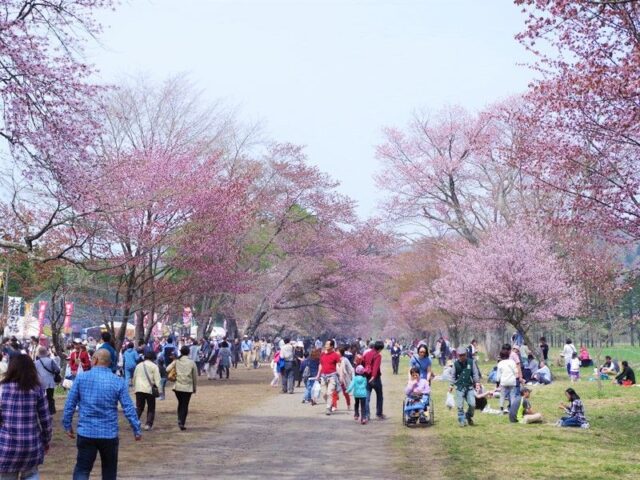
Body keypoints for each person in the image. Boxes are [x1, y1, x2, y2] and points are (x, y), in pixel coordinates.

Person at [62, 349, 141, 480]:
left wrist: (67, 424)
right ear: (109, 363)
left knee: (82, 469)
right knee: (109, 472)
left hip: (86, 432)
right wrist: (136, 428)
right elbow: (128, 407)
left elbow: (70, 404)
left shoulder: (81, 378)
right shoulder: (118, 381)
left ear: (95, 360)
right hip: (109, 434)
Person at [0, 355, 52, 480]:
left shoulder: (2, 389)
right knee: (31, 474)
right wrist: (46, 440)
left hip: (6, 446)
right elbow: (46, 420)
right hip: (31, 445)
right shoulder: (37, 389)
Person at [166, 346, 198, 430]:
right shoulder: (191, 362)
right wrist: (194, 388)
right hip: (187, 387)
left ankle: (179, 419)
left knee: (180, 403)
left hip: (178, 387)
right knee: (185, 405)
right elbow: (195, 377)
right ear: (188, 352)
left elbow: (167, 369)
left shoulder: (176, 361)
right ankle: (182, 422)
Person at [450, 347, 480, 427]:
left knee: (472, 404)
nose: (462, 357)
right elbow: (453, 376)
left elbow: (475, 373)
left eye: (463, 355)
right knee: (460, 405)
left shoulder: (471, 362)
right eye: (460, 355)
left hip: (469, 387)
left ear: (466, 354)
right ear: (457, 355)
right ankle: (461, 420)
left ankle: (468, 416)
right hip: (459, 387)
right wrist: (451, 385)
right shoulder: (455, 364)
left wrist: (477, 383)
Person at [133, 350, 161, 431]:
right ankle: (148, 424)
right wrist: (159, 390)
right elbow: (158, 380)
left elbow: (134, 377)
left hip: (139, 389)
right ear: (153, 357)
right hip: (149, 389)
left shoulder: (138, 365)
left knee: (139, 407)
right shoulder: (154, 366)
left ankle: (134, 422)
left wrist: (135, 386)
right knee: (151, 408)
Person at [314, 340, 342, 416]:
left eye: (327, 344)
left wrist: (341, 376)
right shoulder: (322, 354)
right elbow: (320, 365)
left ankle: (328, 408)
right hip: (323, 376)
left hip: (332, 376)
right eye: (325, 343)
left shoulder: (336, 355)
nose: (325, 345)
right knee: (324, 393)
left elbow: (338, 366)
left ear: (332, 346)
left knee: (330, 393)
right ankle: (330, 404)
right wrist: (318, 375)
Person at [363, 340, 385, 423]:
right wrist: (373, 377)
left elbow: (363, 363)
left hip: (367, 377)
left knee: (367, 397)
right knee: (379, 396)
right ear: (379, 348)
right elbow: (376, 367)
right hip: (375, 378)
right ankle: (379, 414)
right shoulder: (378, 356)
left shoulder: (367, 353)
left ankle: (367, 415)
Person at [35, 346, 61, 415]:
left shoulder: (36, 363)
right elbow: (57, 370)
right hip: (50, 381)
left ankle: (42, 410)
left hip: (40, 382)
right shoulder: (50, 360)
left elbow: (34, 372)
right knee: (50, 397)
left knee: (41, 397)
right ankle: (51, 410)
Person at [334, 347, 354, 411]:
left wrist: (352, 377)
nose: (336, 353)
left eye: (337, 352)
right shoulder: (334, 360)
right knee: (334, 392)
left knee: (345, 393)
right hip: (335, 378)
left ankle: (348, 404)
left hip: (343, 379)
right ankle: (334, 406)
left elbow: (351, 369)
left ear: (341, 353)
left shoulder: (345, 360)